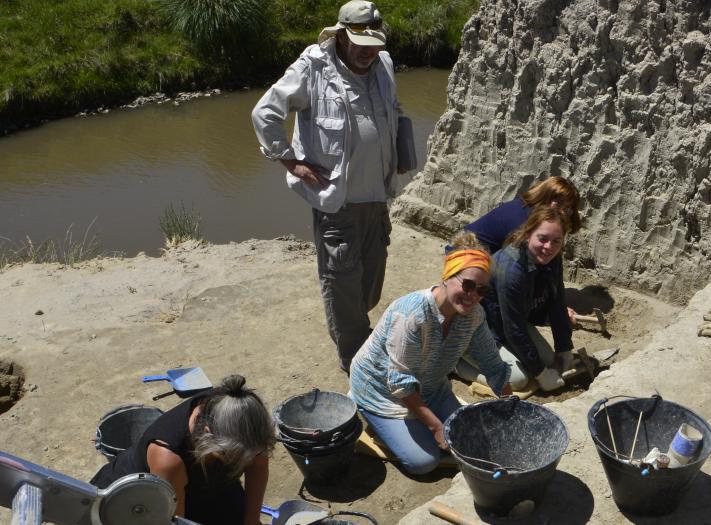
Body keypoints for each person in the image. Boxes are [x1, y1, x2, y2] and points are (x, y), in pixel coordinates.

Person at [251, 0, 406, 373]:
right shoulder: (313, 67)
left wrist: (399, 152)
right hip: (336, 202)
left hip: (377, 198)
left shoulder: (383, 64)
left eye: (374, 45)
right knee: (341, 283)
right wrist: (290, 161)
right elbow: (265, 113)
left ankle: (356, 330)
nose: (368, 53)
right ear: (340, 35)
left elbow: (395, 111)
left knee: (369, 283)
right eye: (360, 44)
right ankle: (354, 357)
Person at [349, 232, 513, 475]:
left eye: (482, 290)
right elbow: (401, 383)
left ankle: (415, 426)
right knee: (424, 462)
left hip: (432, 387)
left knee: (474, 440)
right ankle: (372, 418)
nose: (472, 296)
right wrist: (436, 427)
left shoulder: (474, 314)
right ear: (447, 277)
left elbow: (492, 363)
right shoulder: (412, 315)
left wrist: (511, 406)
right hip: (382, 391)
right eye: (467, 285)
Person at [90, 375, 275, 525]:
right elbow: (176, 521)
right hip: (134, 501)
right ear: (208, 434)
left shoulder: (240, 414)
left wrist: (251, 521)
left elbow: (258, 465)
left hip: (198, 481)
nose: (245, 461)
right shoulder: (169, 459)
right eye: (235, 456)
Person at [456, 206, 575, 392]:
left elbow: (557, 300)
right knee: (518, 380)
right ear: (528, 234)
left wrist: (564, 348)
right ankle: (455, 363)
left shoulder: (553, 257)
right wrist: (541, 374)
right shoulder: (511, 269)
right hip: (479, 329)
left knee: (551, 361)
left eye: (556, 241)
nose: (548, 247)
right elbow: (514, 329)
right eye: (542, 239)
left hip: (508, 321)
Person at [464, 176, 582, 254]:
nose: (562, 211)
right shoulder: (523, 218)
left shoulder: (541, 218)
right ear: (545, 197)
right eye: (559, 203)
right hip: (466, 255)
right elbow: (516, 262)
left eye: (567, 208)